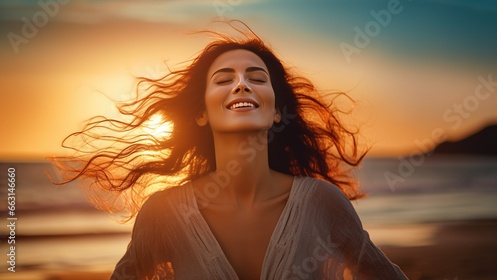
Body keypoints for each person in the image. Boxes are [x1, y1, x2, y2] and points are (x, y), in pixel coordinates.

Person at [52, 21, 407, 279]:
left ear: (278, 110)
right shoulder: (163, 214)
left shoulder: (322, 202)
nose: (240, 85)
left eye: (256, 78)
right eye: (224, 79)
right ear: (202, 112)